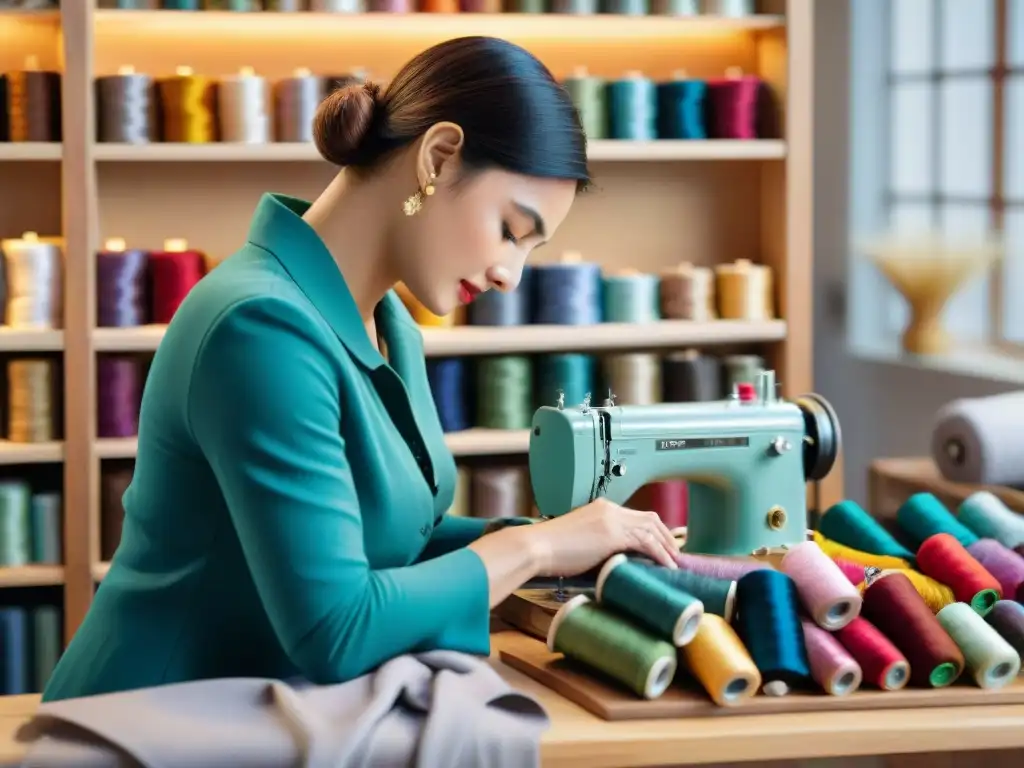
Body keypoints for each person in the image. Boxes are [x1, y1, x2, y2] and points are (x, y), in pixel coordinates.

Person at [43, 36, 678, 702]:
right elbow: (334, 629)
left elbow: (397, 537)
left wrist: (558, 540)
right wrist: (538, 552)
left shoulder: (386, 322)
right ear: (437, 159)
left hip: (244, 710)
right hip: (147, 721)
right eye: (510, 229)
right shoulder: (259, 327)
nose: (508, 276)